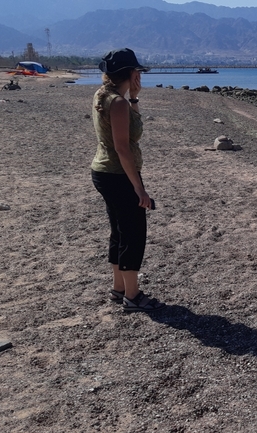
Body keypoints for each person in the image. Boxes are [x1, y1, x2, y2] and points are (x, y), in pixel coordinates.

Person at [91, 48, 164, 312]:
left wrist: (134, 98)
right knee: (133, 233)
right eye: (137, 72)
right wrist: (139, 188)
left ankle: (119, 287)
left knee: (119, 230)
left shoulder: (104, 95)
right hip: (118, 174)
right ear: (132, 73)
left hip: (104, 172)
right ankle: (132, 296)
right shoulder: (117, 103)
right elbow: (123, 147)